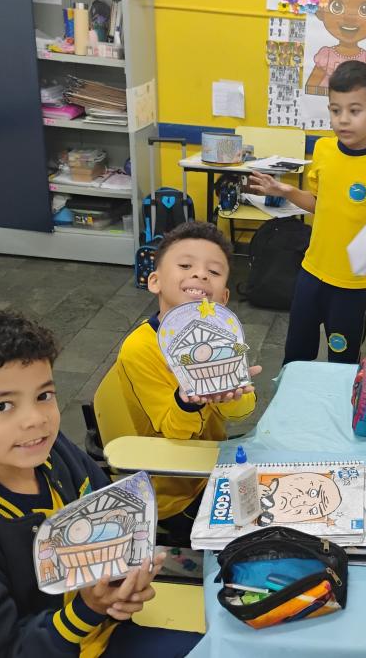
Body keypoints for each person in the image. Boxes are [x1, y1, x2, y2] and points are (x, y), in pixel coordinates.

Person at [0, 309, 201, 657]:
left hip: (111, 632)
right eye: (3, 406)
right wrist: (87, 610)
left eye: (43, 396)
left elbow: (108, 509)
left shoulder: (52, 451)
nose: (35, 419)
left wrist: (121, 580)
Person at [249, 60, 366, 365]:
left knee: (342, 358)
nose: (343, 120)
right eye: (336, 110)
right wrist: (286, 191)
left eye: (354, 110)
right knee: (297, 353)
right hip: (311, 272)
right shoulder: (323, 149)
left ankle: (339, 395)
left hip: (352, 283)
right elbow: (318, 203)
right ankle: (295, 395)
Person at [116, 221, 259, 541]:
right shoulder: (140, 349)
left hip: (212, 466)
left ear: (223, 296)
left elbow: (241, 412)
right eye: (185, 265)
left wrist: (233, 393)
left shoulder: (221, 336)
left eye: (214, 271)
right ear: (154, 281)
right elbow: (174, 433)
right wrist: (187, 402)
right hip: (175, 490)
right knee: (249, 536)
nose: (200, 275)